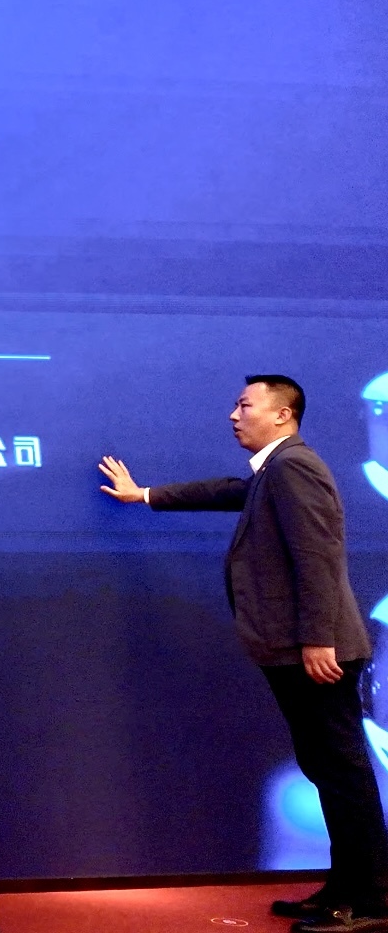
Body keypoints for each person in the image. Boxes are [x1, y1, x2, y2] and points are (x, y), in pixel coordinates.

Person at [102, 375, 385, 933]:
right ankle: (345, 887)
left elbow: (317, 556)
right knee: (326, 770)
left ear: (282, 415)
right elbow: (228, 491)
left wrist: (318, 638)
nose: (234, 415)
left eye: (245, 405)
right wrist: (146, 495)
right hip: (297, 648)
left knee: (343, 772)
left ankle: (374, 899)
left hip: (316, 650)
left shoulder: (294, 466)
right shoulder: (274, 471)